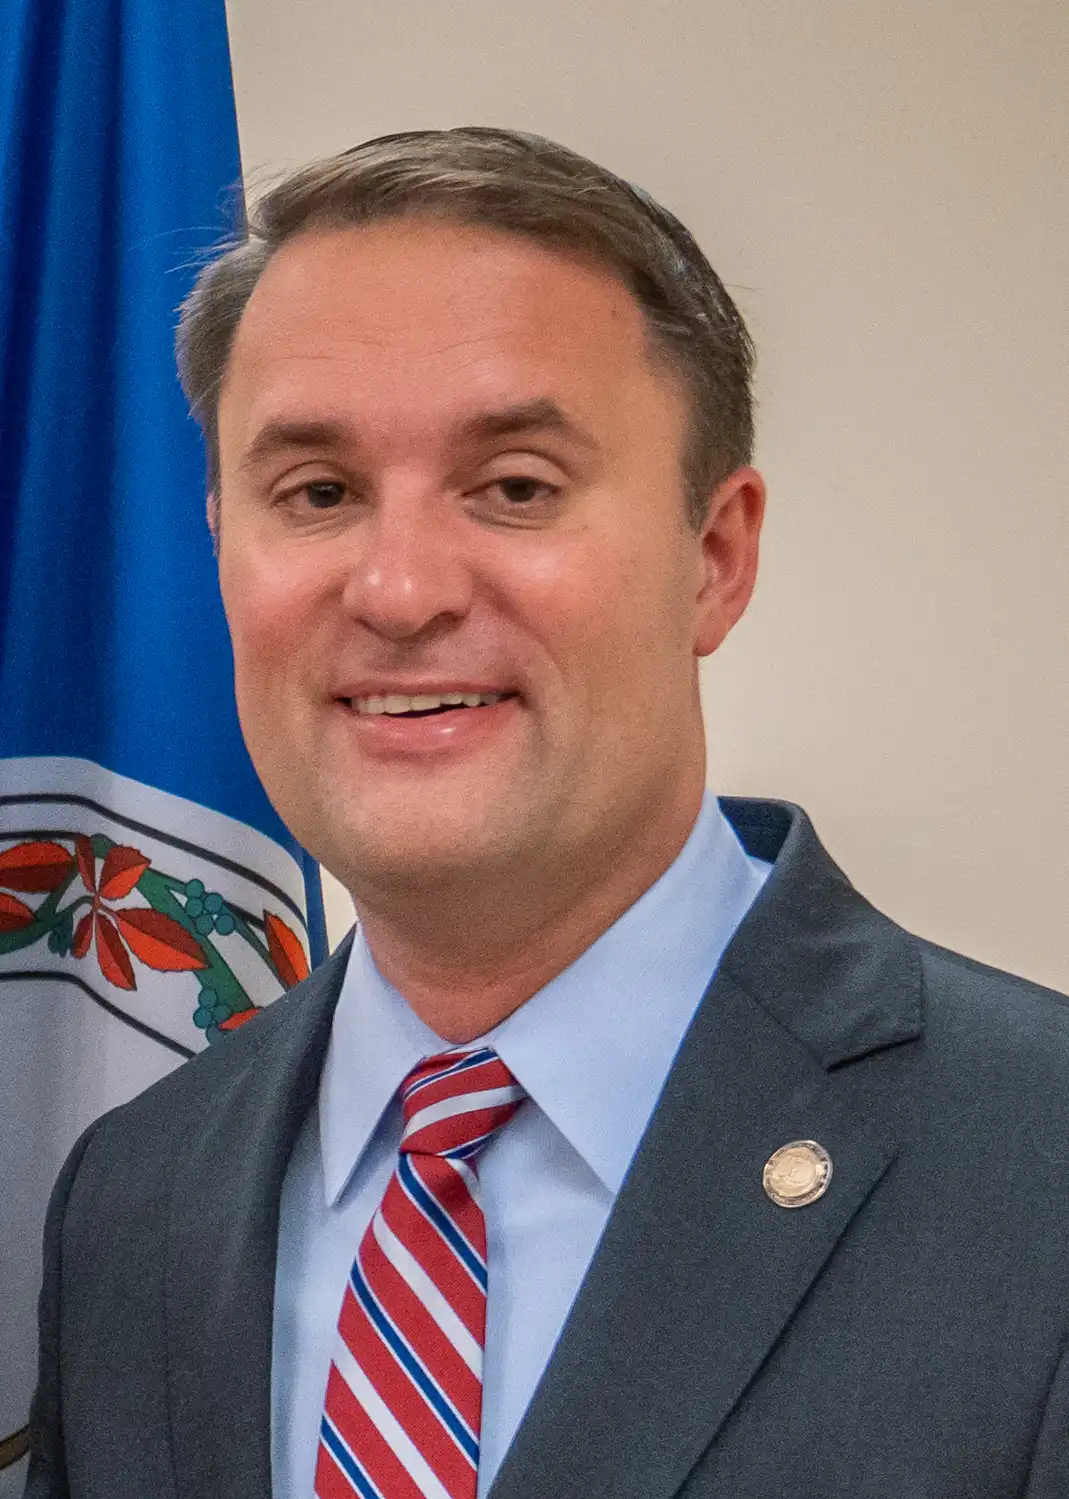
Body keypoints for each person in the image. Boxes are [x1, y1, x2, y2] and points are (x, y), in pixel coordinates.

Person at [24, 127, 1069, 1499]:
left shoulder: (1036, 1163)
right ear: (222, 544)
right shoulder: (131, 1199)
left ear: (716, 558)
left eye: (515, 486)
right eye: (319, 493)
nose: (400, 592)